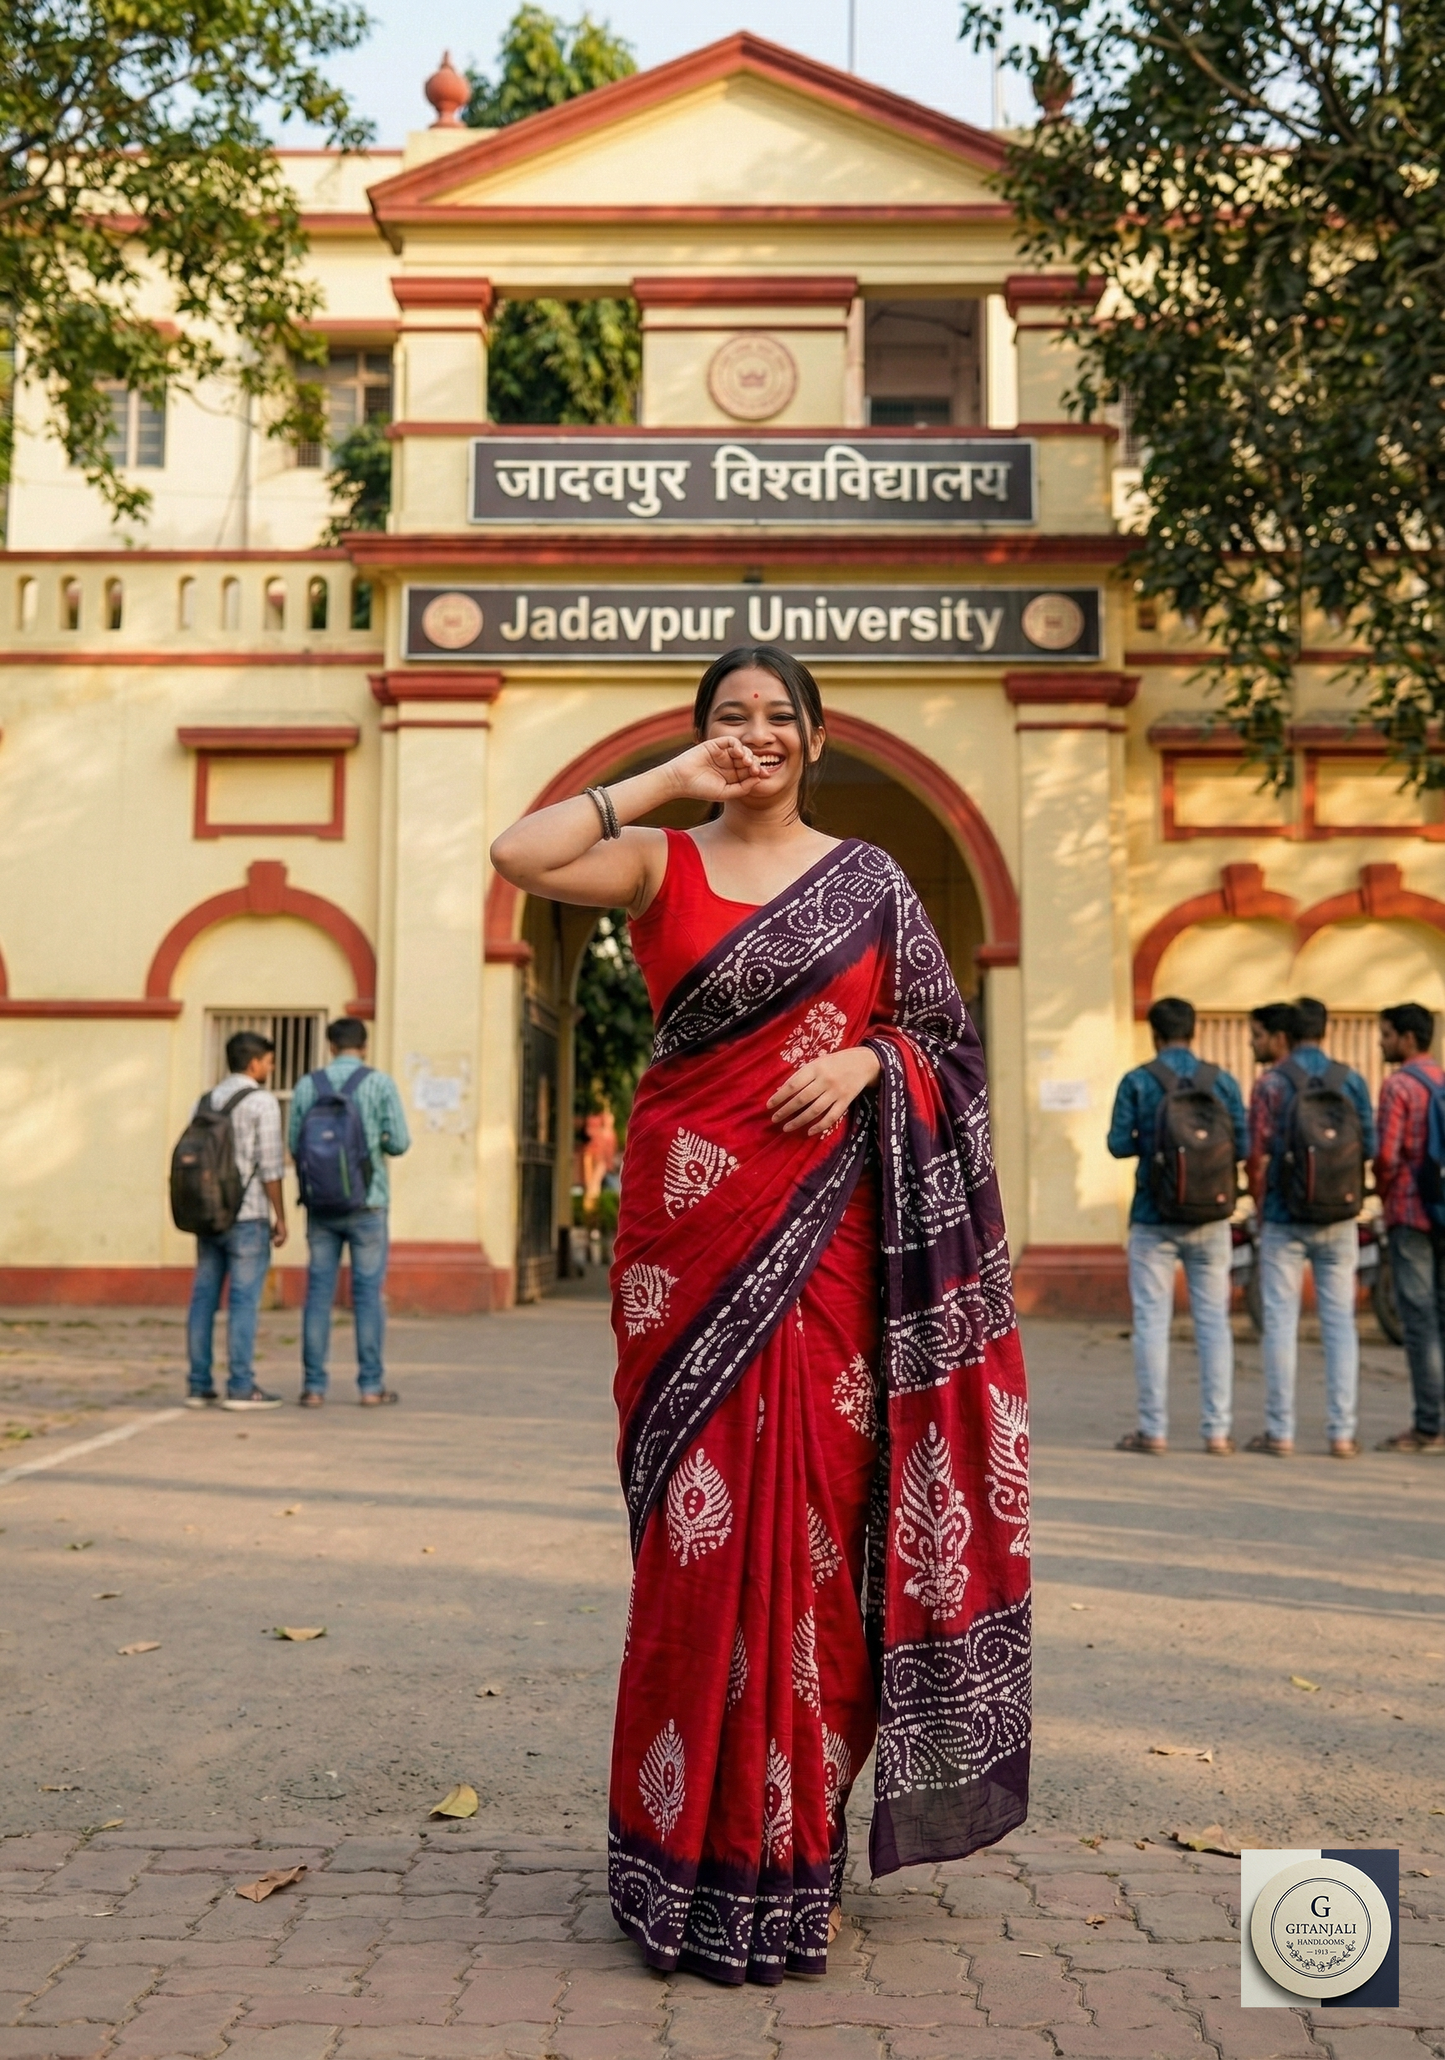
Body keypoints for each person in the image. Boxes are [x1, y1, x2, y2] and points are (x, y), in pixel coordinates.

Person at [490, 645, 1030, 1988]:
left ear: (816, 737)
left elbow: (951, 1048)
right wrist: (665, 781)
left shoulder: (874, 884)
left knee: (811, 1547)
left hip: (830, 1260)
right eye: (728, 719)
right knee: (697, 1551)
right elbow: (518, 851)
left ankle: (790, 1856)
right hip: (687, 1253)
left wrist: (868, 1057)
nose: (754, 737)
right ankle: (680, 1850)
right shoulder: (659, 864)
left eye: (776, 718)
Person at [1107, 996, 1247, 1456]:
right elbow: (1242, 1145)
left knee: (1151, 1322)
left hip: (1153, 1216)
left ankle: (1154, 1430)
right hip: (1211, 1218)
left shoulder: (1137, 1081)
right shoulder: (1221, 1081)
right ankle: (1218, 1431)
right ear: (1194, 1030)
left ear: (1155, 1033)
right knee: (1213, 1323)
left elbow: (1116, 1145)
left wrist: (1152, 1143)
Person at [1246, 997, 1375, 1458]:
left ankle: (1280, 1432)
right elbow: (1371, 1145)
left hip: (1284, 1216)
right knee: (1340, 1322)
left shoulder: (1272, 1083)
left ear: (1287, 1034)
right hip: (1339, 1216)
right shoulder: (1352, 1081)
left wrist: (1263, 1207)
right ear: (1325, 1029)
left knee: (1281, 1322)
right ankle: (1342, 1434)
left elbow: (1255, 1153)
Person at [288, 1017, 410, 1407]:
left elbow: (295, 1143)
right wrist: (377, 1144)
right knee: (367, 1294)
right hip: (368, 1203)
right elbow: (401, 1143)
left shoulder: (309, 1085)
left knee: (319, 1293)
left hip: (320, 1207)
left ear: (330, 1046)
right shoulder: (379, 1083)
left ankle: (313, 1387)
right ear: (365, 1046)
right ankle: (371, 1387)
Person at [185, 1030, 287, 1411]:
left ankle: (198, 1384)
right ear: (254, 1063)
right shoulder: (262, 1103)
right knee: (244, 1301)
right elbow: (271, 1167)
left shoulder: (205, 1101)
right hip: (248, 1216)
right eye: (269, 1061)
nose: (271, 1067)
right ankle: (241, 1386)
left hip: (209, 1213)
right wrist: (280, 1217)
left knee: (203, 1298)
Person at [1374, 1003, 1445, 1453]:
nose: (1381, 1042)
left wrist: (1382, 1193)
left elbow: (1386, 1153)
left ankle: (1427, 1426)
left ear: (1406, 1037)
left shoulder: (1399, 1085)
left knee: (1419, 1322)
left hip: (1410, 1212)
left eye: (1385, 1034)